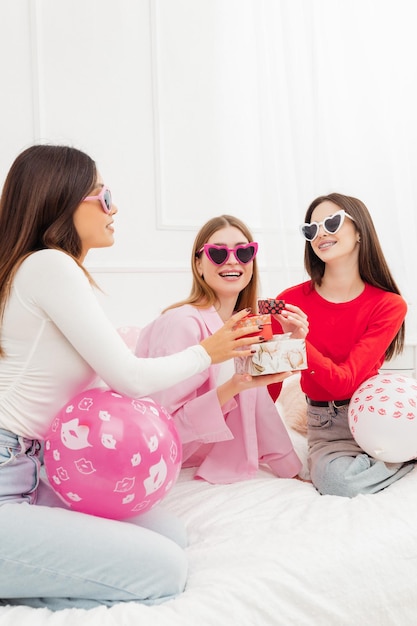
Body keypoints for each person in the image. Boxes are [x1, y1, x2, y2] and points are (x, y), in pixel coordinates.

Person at [0, 145, 265, 611]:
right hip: (9, 472)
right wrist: (209, 351)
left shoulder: (47, 270)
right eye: (103, 195)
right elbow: (130, 378)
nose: (114, 207)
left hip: (32, 471)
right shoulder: (48, 265)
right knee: (163, 569)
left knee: (171, 534)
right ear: (63, 199)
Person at [136, 215, 302, 484]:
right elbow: (163, 425)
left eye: (244, 251)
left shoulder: (245, 324)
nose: (233, 260)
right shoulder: (182, 323)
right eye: (218, 253)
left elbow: (259, 405)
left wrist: (291, 469)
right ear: (199, 264)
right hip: (163, 454)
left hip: (211, 456)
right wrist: (235, 385)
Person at [268, 192, 415, 497]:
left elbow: (345, 381)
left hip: (381, 413)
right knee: (338, 482)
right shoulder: (289, 302)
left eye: (331, 223)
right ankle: (402, 459)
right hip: (328, 427)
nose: (320, 233)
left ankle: (402, 453)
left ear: (359, 231)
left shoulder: (389, 305)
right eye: (311, 229)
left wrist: (299, 342)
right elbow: (271, 385)